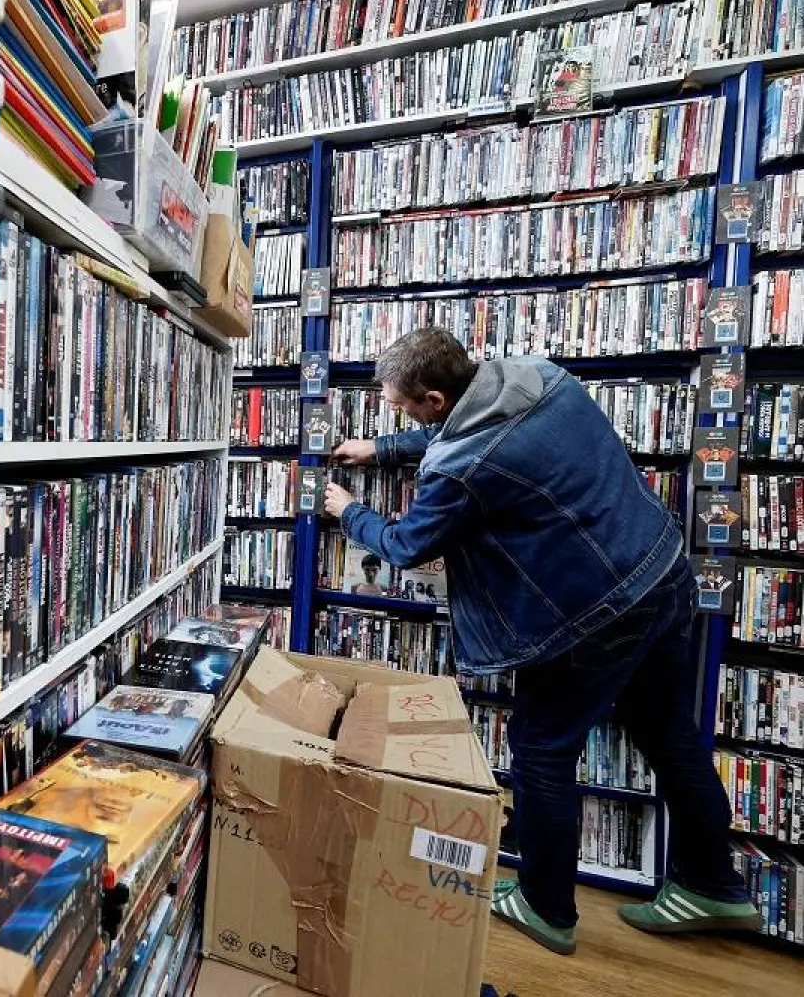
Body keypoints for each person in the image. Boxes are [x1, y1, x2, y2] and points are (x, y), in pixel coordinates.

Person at [320, 329, 759, 955]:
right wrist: (384, 448)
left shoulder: (459, 470)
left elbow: (409, 543)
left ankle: (545, 908)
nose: (399, 414)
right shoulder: (537, 377)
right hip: (661, 573)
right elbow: (475, 429)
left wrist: (347, 511)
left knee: (541, 755)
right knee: (670, 735)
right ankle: (715, 886)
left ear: (435, 398)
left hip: (591, 616)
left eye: (400, 407)